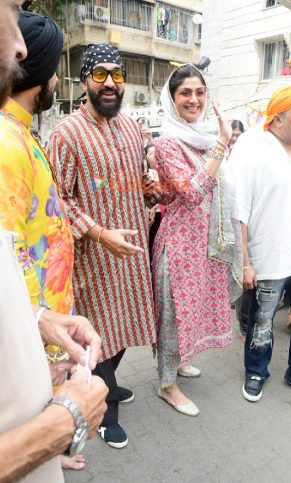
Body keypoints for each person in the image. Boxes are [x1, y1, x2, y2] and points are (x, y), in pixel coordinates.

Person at [0, 3, 107, 482]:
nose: (59, 83)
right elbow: (10, 246)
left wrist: (42, 318)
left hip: (37, 315)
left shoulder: (19, 132)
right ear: (40, 74)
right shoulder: (6, 140)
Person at [48, 43, 157, 449]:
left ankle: (106, 382)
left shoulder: (130, 127)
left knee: (125, 327)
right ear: (84, 82)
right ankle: (104, 409)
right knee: (98, 334)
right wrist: (98, 233)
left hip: (131, 253)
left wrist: (150, 186)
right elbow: (58, 200)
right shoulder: (66, 134)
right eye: (100, 75)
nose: (110, 83)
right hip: (92, 257)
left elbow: (140, 177)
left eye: (117, 75)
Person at [152, 64, 241, 416]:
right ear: (172, 99)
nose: (194, 99)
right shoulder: (167, 143)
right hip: (177, 247)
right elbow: (191, 192)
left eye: (200, 92)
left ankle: (180, 359)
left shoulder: (201, 138)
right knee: (174, 314)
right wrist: (221, 143)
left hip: (202, 246)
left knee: (192, 310)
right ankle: (166, 384)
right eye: (185, 93)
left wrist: (217, 144)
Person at [230, 85, 291, 402]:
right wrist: (245, 262)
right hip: (269, 256)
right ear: (278, 119)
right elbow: (238, 210)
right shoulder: (254, 150)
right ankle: (256, 372)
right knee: (262, 320)